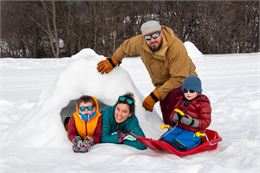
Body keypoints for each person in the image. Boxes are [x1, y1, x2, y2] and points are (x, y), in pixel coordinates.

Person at [96, 20, 197, 125]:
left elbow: (179, 78)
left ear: (161, 32)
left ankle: (187, 132)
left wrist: (154, 96)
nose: (152, 40)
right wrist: (113, 61)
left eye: (155, 35)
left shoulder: (175, 47)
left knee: (177, 109)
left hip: (186, 83)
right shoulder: (140, 43)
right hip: (163, 83)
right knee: (167, 114)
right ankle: (171, 131)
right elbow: (125, 47)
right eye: (148, 38)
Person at [159, 76, 211, 151]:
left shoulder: (203, 104)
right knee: (164, 140)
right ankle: (174, 140)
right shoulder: (181, 101)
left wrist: (192, 122)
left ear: (198, 91)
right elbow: (174, 112)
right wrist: (174, 116)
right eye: (185, 91)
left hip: (194, 131)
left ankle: (198, 141)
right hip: (180, 128)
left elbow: (206, 121)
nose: (188, 93)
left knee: (179, 145)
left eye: (192, 91)